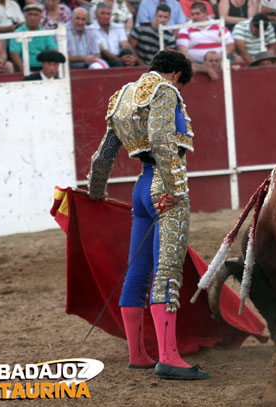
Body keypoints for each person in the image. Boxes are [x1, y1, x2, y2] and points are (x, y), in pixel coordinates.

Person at [87, 49, 209, 381]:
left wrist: (96, 194)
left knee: (137, 274)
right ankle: (168, 357)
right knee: (166, 272)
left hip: (141, 188)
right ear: (175, 75)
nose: (179, 91)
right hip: (164, 189)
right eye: (182, 85)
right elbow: (161, 139)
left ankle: (137, 354)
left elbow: (104, 155)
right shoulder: (165, 91)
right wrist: (176, 190)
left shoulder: (121, 97)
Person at [91, 2, 143, 67]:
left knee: (127, 52)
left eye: (108, 14)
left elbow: (125, 44)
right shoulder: (91, 29)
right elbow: (103, 50)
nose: (105, 16)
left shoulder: (118, 27)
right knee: (118, 64)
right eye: (102, 13)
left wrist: (136, 59)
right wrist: (119, 60)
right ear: (96, 14)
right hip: (103, 58)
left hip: (119, 56)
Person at [9, 4, 58, 73]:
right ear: (25, 16)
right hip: (25, 69)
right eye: (30, 14)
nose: (32, 17)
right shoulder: (18, 32)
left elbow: (54, 50)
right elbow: (14, 53)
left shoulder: (45, 32)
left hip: (44, 69)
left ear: (40, 17)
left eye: (36, 15)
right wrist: (24, 71)